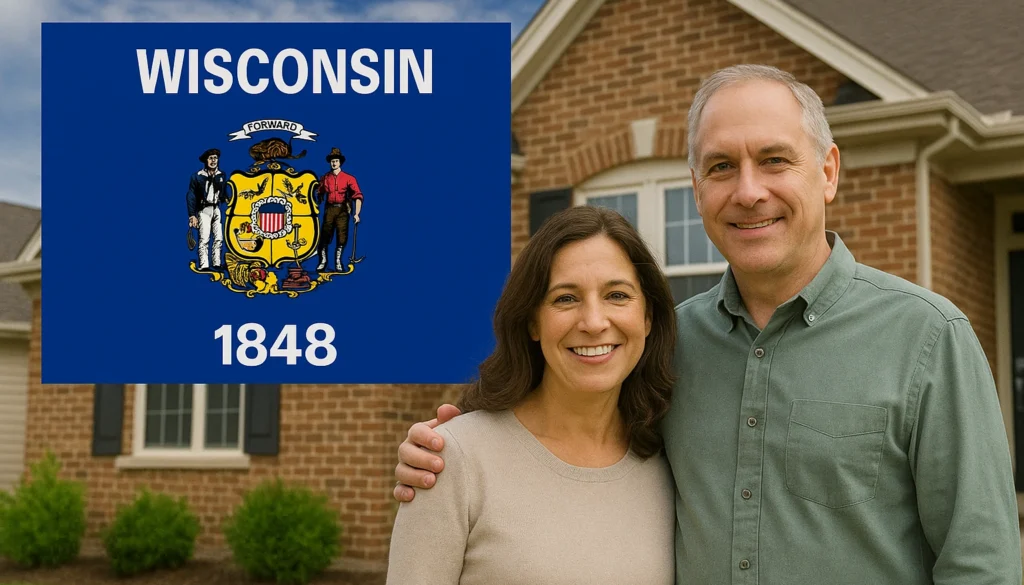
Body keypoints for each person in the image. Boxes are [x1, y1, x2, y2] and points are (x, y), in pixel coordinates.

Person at [392, 64, 1022, 584]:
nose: (747, 191)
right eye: (721, 167)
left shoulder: (929, 338)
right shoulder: (666, 346)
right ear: (697, 190)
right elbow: (569, 424)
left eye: (774, 160)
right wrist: (455, 445)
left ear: (828, 172)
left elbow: (981, 565)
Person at [385, 205, 679, 584]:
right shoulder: (453, 460)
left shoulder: (670, 459)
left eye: (617, 295)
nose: (593, 322)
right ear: (532, 321)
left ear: (648, 317)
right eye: (565, 299)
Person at [316, 147, 363, 271]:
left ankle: (338, 261)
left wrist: (357, 214)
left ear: (340, 162)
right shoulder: (325, 178)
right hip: (329, 209)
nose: (334, 163)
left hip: (343, 210)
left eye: (336, 160)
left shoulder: (349, 178)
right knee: (325, 236)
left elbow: (357, 196)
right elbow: (319, 193)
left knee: (342, 237)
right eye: (332, 161)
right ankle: (323, 261)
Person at [186, 147, 227, 271]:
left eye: (215, 158)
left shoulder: (221, 175)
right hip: (204, 210)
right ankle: (204, 265)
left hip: (216, 208)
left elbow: (223, 193)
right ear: (206, 160)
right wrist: (192, 215)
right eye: (211, 158)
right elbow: (191, 196)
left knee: (219, 238)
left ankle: (216, 263)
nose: (213, 161)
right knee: (204, 238)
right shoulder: (197, 176)